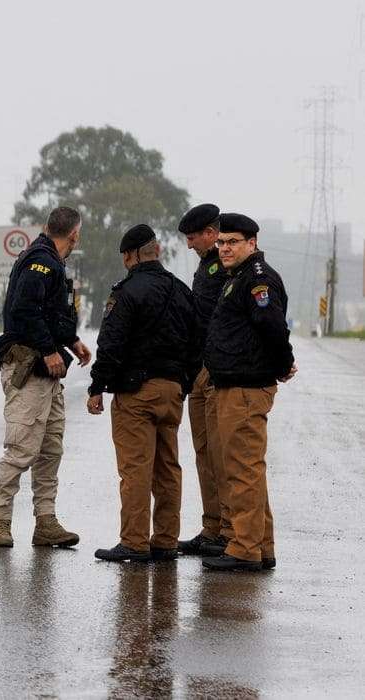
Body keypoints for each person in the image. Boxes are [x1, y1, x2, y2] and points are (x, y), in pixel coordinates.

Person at [87, 224, 199, 563]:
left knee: (135, 468)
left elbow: (111, 343)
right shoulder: (181, 291)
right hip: (172, 391)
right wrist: (185, 383)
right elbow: (198, 344)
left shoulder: (126, 292)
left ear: (128, 256)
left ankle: (134, 542)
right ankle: (165, 540)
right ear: (158, 251)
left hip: (135, 393)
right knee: (168, 468)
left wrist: (97, 386)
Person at [0, 206, 92, 548]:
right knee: (21, 448)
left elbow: (51, 313)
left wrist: (71, 341)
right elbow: (24, 309)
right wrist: (48, 349)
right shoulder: (40, 261)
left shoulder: (53, 262)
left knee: (50, 450)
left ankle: (46, 521)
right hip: (30, 367)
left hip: (47, 373)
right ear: (74, 234)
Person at [201, 213, 297, 572]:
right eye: (221, 243)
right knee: (248, 470)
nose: (224, 248)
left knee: (241, 471)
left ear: (252, 244)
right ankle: (261, 545)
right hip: (234, 383)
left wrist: (283, 364)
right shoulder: (238, 277)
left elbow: (272, 326)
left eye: (232, 242)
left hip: (245, 387)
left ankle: (244, 547)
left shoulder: (257, 280)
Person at [175, 204, 232, 557]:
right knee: (204, 453)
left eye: (193, 237)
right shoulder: (205, 266)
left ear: (211, 233)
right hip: (199, 368)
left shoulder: (224, 265)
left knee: (222, 455)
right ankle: (212, 527)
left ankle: (229, 530)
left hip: (216, 367)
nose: (189, 243)